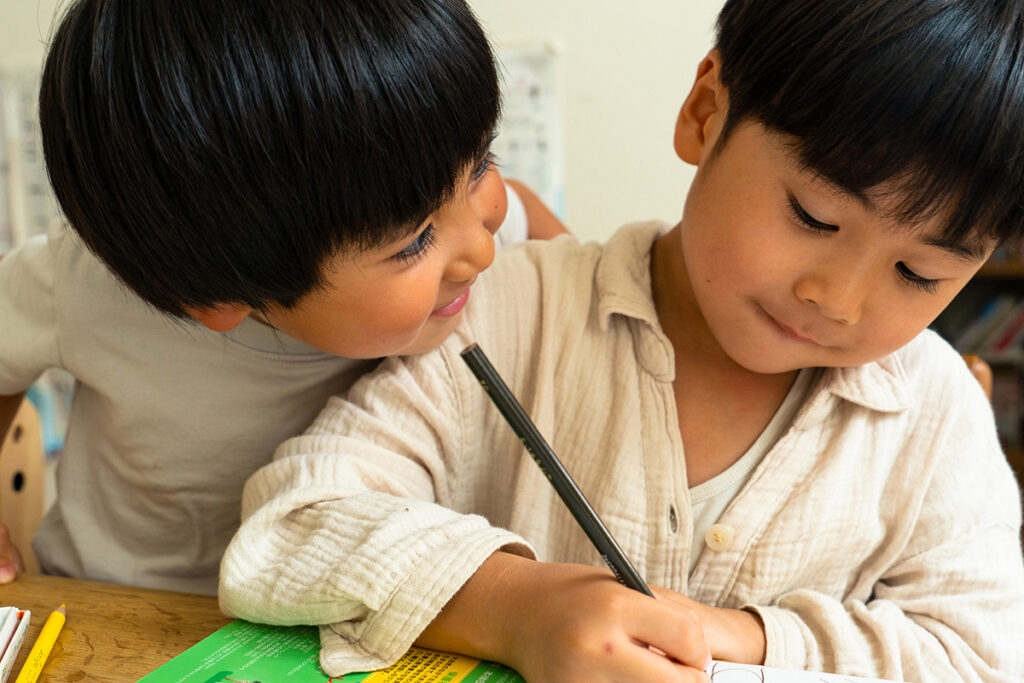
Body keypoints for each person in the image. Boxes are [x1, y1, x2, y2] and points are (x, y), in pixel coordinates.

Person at [219, 0, 1024, 681]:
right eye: (813, 217)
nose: (837, 300)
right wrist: (515, 609)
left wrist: (738, 637)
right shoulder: (503, 315)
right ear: (706, 112)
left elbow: (983, 654)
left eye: (919, 273)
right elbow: (292, 526)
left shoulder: (936, 411)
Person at [0, 0, 566, 593]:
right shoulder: (89, 291)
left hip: (366, 610)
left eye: (481, 164)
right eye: (415, 240)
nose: (482, 249)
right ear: (218, 293)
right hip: (135, 614)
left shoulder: (460, 227)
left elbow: (567, 272)